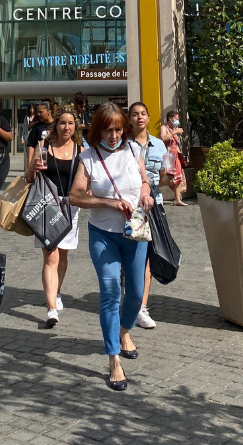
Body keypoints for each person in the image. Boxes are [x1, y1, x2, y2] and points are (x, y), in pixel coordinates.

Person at [69, 103, 154, 391]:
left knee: (137, 293)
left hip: (135, 230)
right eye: (108, 129)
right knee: (110, 292)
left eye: (118, 129)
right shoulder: (88, 158)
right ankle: (113, 358)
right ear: (98, 130)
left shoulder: (133, 150)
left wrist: (145, 192)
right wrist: (108, 202)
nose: (114, 134)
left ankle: (123, 332)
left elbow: (144, 180)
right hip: (103, 234)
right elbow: (75, 197)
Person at [25, 107, 82, 328]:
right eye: (62, 123)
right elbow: (28, 177)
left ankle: (57, 292)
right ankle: (51, 309)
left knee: (63, 257)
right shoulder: (44, 147)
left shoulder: (81, 150)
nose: (66, 127)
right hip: (46, 206)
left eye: (70, 123)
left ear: (75, 126)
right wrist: (34, 167)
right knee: (50, 257)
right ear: (55, 126)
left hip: (70, 207)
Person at [128, 101, 166, 330]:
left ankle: (141, 308)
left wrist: (173, 178)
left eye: (143, 113)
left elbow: (165, 177)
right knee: (129, 259)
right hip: (130, 207)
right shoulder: (124, 144)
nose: (139, 117)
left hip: (155, 207)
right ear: (129, 119)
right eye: (135, 114)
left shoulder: (160, 145)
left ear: (149, 117)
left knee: (147, 259)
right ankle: (129, 300)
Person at [160, 109, 188, 206]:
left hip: (176, 158)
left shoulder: (174, 130)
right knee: (165, 178)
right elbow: (163, 138)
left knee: (178, 178)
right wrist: (174, 132)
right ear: (170, 118)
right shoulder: (164, 127)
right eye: (176, 119)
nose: (177, 121)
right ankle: (151, 192)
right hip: (168, 157)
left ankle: (177, 199)